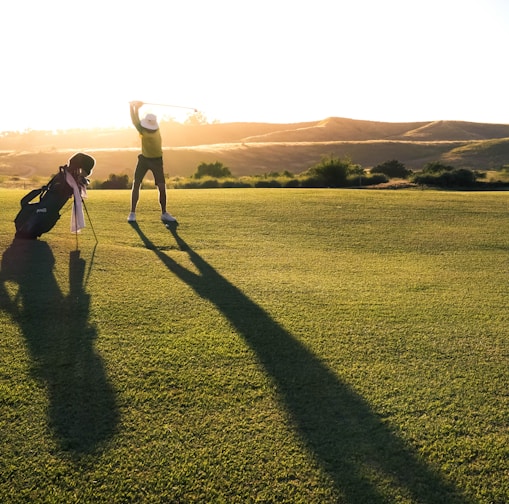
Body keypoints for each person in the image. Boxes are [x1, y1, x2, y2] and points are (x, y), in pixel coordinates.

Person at [127, 101, 177, 223]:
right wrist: (134, 107)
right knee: (138, 184)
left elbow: (134, 120)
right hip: (145, 159)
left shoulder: (143, 131)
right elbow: (135, 121)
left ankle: (163, 213)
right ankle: (133, 213)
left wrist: (134, 107)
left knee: (159, 186)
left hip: (155, 160)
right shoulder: (154, 129)